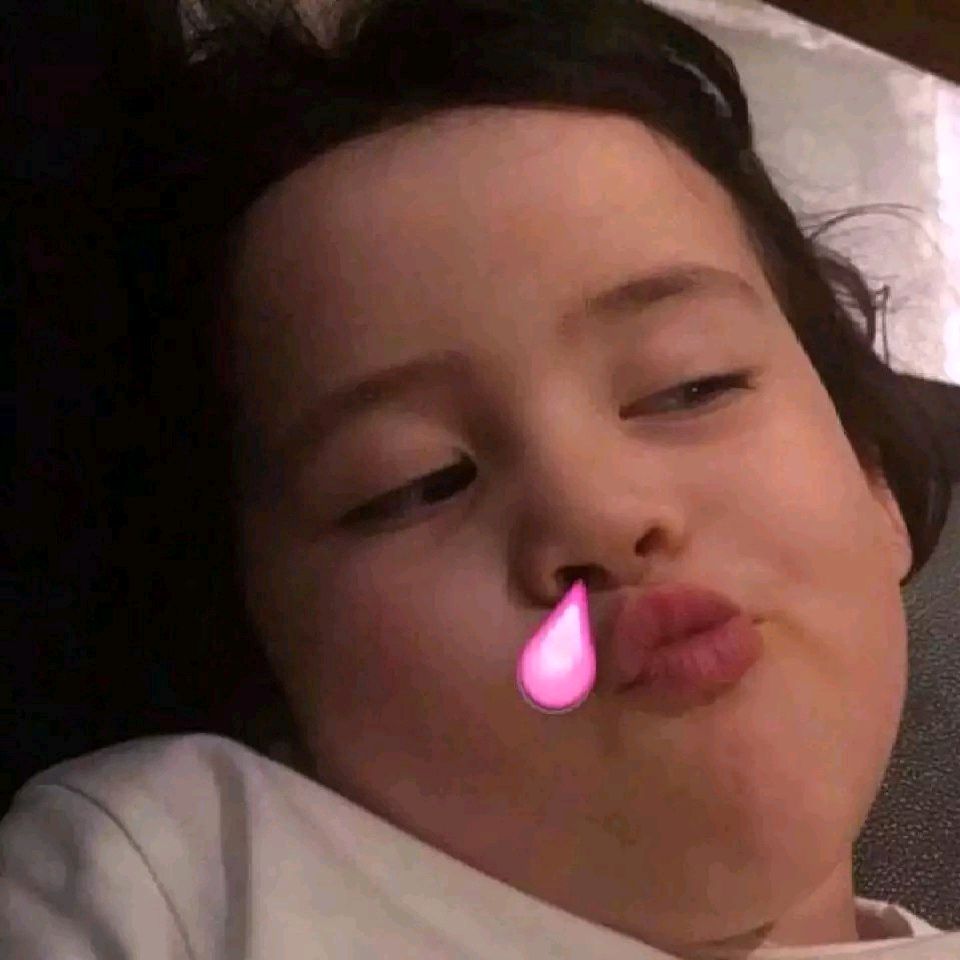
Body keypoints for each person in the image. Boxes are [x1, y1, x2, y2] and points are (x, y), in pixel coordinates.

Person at [2, 1, 957, 957]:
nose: (597, 512)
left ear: (875, 482)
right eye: (417, 483)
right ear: (262, 644)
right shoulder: (179, 873)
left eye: (689, 384)